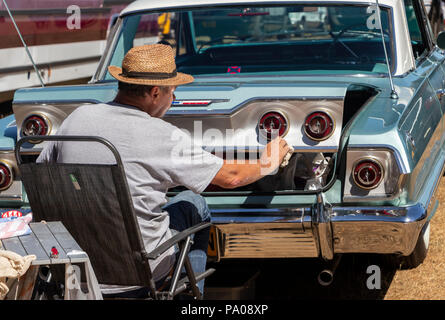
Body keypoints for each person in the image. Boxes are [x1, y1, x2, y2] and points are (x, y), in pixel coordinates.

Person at [37, 44, 290, 298]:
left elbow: (42, 179)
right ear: (156, 92)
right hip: (139, 269)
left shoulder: (76, 118)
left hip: (76, 266)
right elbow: (231, 177)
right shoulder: (162, 134)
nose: (175, 98)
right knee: (194, 203)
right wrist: (269, 161)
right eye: (173, 90)